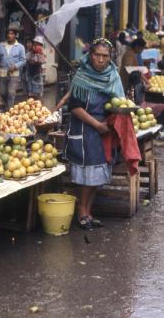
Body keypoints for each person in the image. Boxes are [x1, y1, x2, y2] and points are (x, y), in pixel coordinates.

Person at [66, 38, 124, 230]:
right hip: (85, 129)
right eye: (97, 55)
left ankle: (88, 212)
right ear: (90, 55)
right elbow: (74, 107)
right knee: (88, 176)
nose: (100, 59)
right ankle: (81, 211)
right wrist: (96, 125)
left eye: (105, 56)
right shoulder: (81, 76)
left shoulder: (112, 75)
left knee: (97, 177)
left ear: (110, 58)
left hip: (103, 130)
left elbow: (118, 101)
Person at [0, 27, 26, 109]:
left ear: (15, 35)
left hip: (14, 74)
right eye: (8, 34)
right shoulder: (1, 46)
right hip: (3, 72)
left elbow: (23, 60)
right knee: (2, 92)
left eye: (12, 34)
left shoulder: (20, 47)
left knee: (11, 93)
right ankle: (7, 105)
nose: (9, 35)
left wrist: (15, 66)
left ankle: (9, 110)